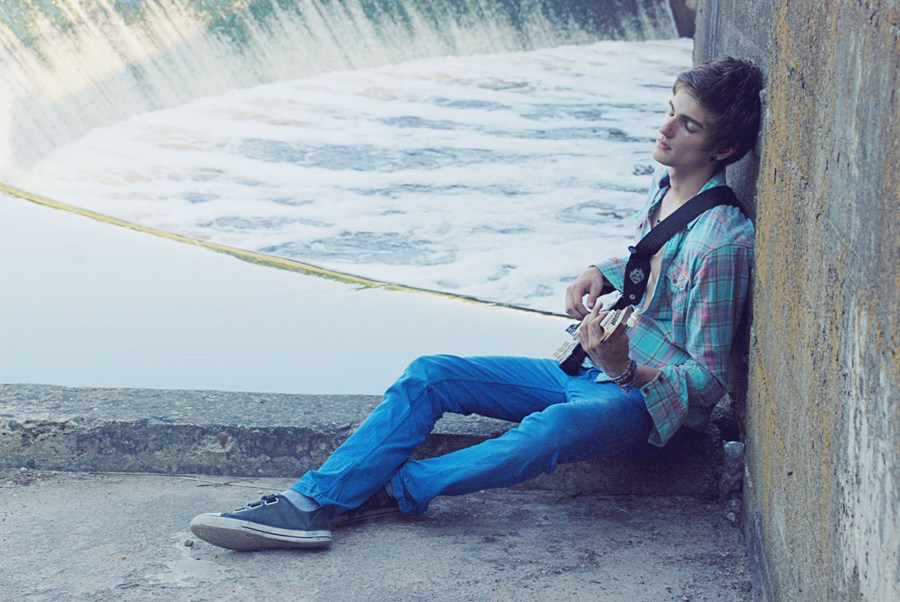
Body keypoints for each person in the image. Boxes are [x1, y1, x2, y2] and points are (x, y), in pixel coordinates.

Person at [189, 56, 763, 551]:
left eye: (688, 125)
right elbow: (657, 263)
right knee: (431, 373)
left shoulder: (723, 242)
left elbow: (709, 383)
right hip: (587, 368)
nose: (665, 129)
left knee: (550, 429)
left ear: (725, 148)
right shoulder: (666, 187)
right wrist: (604, 270)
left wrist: (626, 369)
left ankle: (391, 489)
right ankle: (307, 504)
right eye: (669, 110)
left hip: (640, 402)